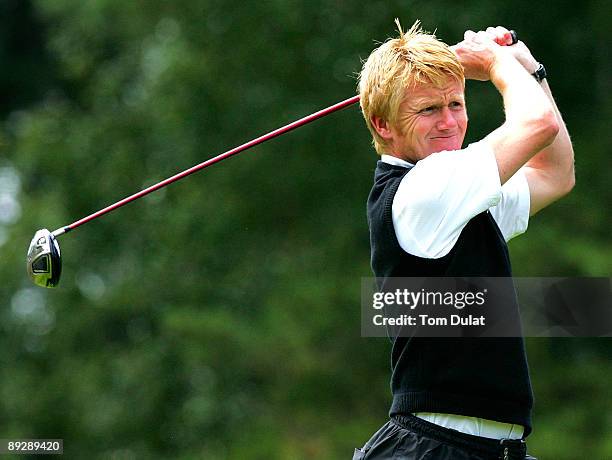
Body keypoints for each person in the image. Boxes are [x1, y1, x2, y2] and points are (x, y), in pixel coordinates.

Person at [354, 20, 574, 460]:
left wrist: (530, 69)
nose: (450, 122)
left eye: (455, 102)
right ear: (383, 124)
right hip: (433, 447)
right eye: (429, 110)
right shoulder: (423, 189)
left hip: (491, 450)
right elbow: (537, 124)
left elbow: (555, 174)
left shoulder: (457, 192)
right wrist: (496, 62)